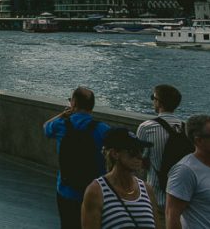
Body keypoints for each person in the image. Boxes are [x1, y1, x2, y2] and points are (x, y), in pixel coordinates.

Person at [43, 86, 111, 229]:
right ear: (92, 106)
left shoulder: (61, 125)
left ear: (73, 103)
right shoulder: (103, 129)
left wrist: (63, 114)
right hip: (94, 192)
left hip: (66, 190)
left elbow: (46, 127)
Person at [81, 128, 160, 229]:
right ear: (115, 154)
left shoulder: (147, 190)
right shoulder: (96, 192)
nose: (140, 156)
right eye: (133, 151)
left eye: (141, 150)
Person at [136, 84, 188, 214]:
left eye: (153, 97)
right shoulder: (186, 129)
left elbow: (138, 161)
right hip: (182, 201)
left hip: (156, 200)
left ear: (158, 102)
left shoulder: (147, 127)